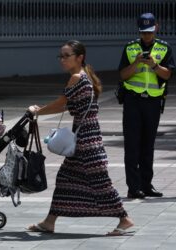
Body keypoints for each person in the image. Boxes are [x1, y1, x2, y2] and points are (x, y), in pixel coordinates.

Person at [26, 40, 134, 236]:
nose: (62, 60)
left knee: (100, 183)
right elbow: (68, 104)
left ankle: (124, 219)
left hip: (86, 140)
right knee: (65, 179)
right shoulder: (86, 76)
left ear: (79, 57)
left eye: (67, 56)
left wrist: (37, 111)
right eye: (61, 56)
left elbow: (62, 104)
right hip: (87, 136)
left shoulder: (77, 77)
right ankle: (49, 222)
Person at [118, 13, 175, 199]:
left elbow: (167, 75)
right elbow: (123, 75)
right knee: (132, 145)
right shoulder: (130, 48)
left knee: (148, 145)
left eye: (150, 32)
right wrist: (136, 63)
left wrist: (154, 65)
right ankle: (133, 187)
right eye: (143, 32)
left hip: (152, 102)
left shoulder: (164, 48)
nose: (147, 36)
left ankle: (146, 184)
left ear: (156, 27)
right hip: (133, 101)